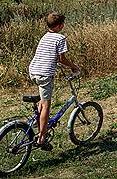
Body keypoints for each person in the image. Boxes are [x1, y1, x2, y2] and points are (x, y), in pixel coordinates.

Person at [28, 12, 79, 150]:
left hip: (33, 70)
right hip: (44, 74)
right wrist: (73, 67)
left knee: (42, 102)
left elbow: (49, 56)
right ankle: (42, 138)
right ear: (60, 25)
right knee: (46, 105)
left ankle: (40, 125)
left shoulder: (45, 36)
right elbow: (61, 58)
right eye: (63, 23)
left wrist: (56, 64)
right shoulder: (60, 38)